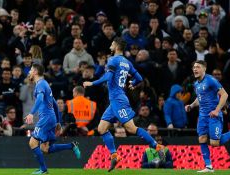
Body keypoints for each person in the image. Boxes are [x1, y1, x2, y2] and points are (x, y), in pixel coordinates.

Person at [83, 37, 164, 172]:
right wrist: (132, 83)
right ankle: (115, 155)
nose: (110, 45)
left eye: (112, 44)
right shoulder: (127, 62)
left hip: (118, 100)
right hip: (115, 101)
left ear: (116, 46)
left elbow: (108, 77)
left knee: (132, 129)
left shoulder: (113, 60)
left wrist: (92, 83)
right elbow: (139, 78)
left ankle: (157, 146)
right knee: (102, 128)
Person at [24, 63, 81, 174]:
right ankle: (71, 146)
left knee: (32, 143)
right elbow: (54, 103)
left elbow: (40, 99)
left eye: (31, 70)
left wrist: (31, 113)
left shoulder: (40, 84)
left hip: (45, 119)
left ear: (35, 71)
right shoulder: (45, 84)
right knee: (44, 148)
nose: (29, 72)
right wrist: (58, 121)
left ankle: (43, 170)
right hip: (51, 118)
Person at [185, 60, 230, 173]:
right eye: (194, 67)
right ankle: (209, 166)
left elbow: (224, 94)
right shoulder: (196, 84)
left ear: (204, 69)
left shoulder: (211, 80)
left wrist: (217, 110)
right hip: (202, 116)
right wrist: (191, 106)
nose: (195, 69)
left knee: (214, 143)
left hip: (214, 116)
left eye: (198, 67)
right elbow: (200, 98)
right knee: (201, 138)